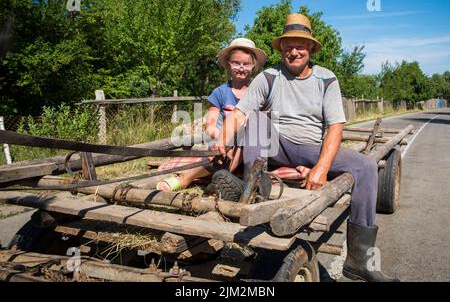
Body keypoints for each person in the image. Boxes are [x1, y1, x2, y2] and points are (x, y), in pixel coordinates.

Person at [213, 14, 399, 282]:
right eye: (288, 46)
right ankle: (254, 187)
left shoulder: (326, 79)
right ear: (282, 49)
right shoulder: (268, 77)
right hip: (275, 145)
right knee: (256, 120)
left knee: (367, 166)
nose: (294, 51)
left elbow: (335, 126)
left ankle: (360, 261)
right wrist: (223, 138)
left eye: (300, 45)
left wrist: (321, 168)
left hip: (310, 146)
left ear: (310, 48)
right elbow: (240, 114)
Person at [156, 37, 267, 191]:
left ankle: (202, 178)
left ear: (253, 65)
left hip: (247, 146)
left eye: (246, 64)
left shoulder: (258, 92)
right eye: (236, 63)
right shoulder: (220, 93)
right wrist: (221, 138)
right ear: (228, 64)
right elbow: (210, 125)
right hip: (220, 141)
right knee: (227, 146)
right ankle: (197, 176)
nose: (241, 68)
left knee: (247, 132)